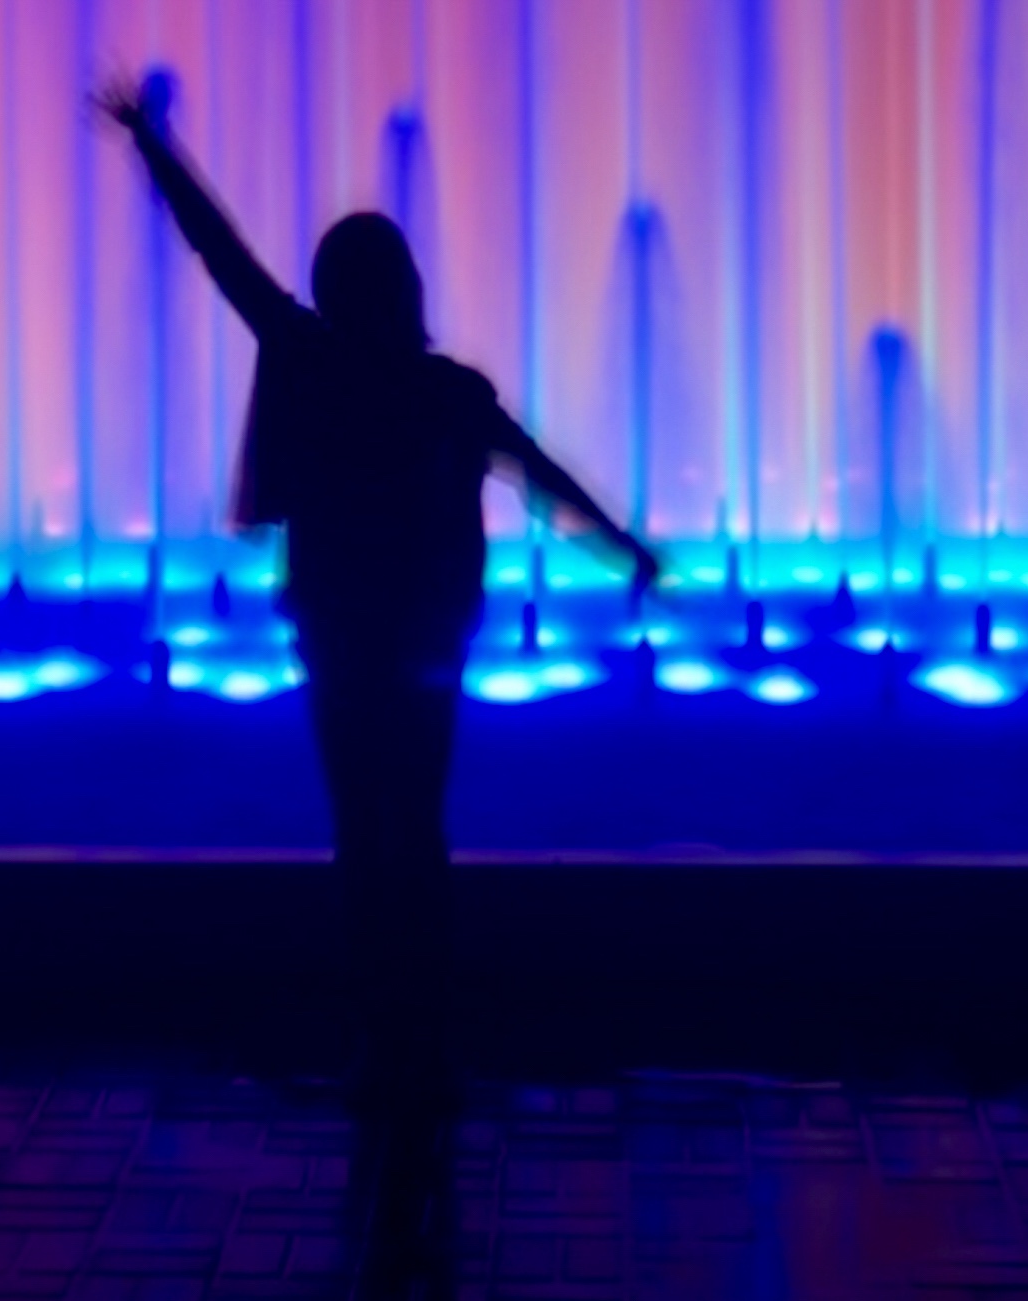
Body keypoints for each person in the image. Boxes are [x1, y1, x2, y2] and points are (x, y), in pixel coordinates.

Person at [90, 73, 658, 1287]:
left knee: (367, 832)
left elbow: (221, 257)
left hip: (347, 640)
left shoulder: (307, 357)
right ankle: (420, 1041)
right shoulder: (446, 393)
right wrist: (626, 551)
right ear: (403, 292)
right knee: (417, 829)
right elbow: (541, 479)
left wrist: (153, 142)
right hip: (421, 639)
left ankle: (385, 1041)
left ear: (341, 293)